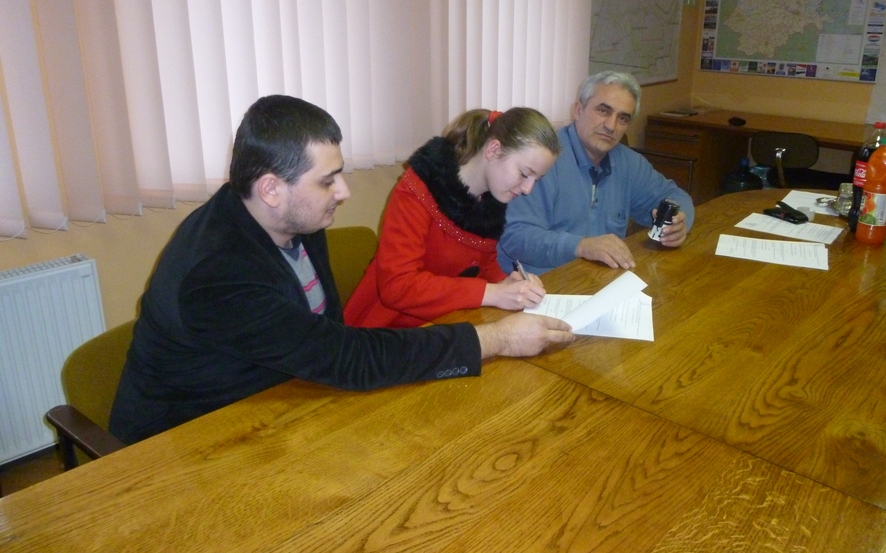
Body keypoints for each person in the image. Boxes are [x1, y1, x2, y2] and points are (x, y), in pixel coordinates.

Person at [109, 95, 573, 445]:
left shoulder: (294, 216)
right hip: (186, 443)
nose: (344, 191)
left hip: (284, 403)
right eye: (327, 180)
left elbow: (329, 340)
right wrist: (498, 339)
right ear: (271, 189)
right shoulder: (218, 275)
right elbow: (345, 355)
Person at [344, 107, 560, 328]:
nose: (527, 189)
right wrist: (492, 293)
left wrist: (505, 283)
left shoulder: (491, 200)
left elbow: (481, 266)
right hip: (388, 327)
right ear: (493, 150)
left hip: (447, 323)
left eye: (536, 179)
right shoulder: (419, 189)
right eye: (524, 174)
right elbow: (397, 286)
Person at [497, 71, 695, 276]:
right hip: (541, 282)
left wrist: (679, 224)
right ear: (578, 110)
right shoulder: (541, 160)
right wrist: (581, 246)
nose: (611, 126)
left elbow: (675, 196)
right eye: (603, 110)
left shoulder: (628, 163)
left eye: (623, 118)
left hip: (600, 279)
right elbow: (515, 237)